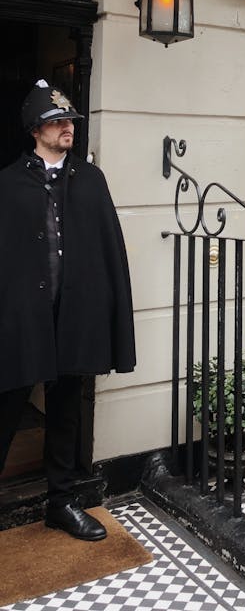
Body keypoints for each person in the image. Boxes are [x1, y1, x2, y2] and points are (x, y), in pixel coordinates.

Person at [0, 80, 136, 541]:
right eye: (57, 122)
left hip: (75, 316)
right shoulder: (8, 184)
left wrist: (110, 310)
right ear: (34, 129)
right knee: (8, 407)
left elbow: (110, 250)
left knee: (65, 414)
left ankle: (61, 503)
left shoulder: (91, 180)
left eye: (70, 122)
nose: (67, 129)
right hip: (21, 319)